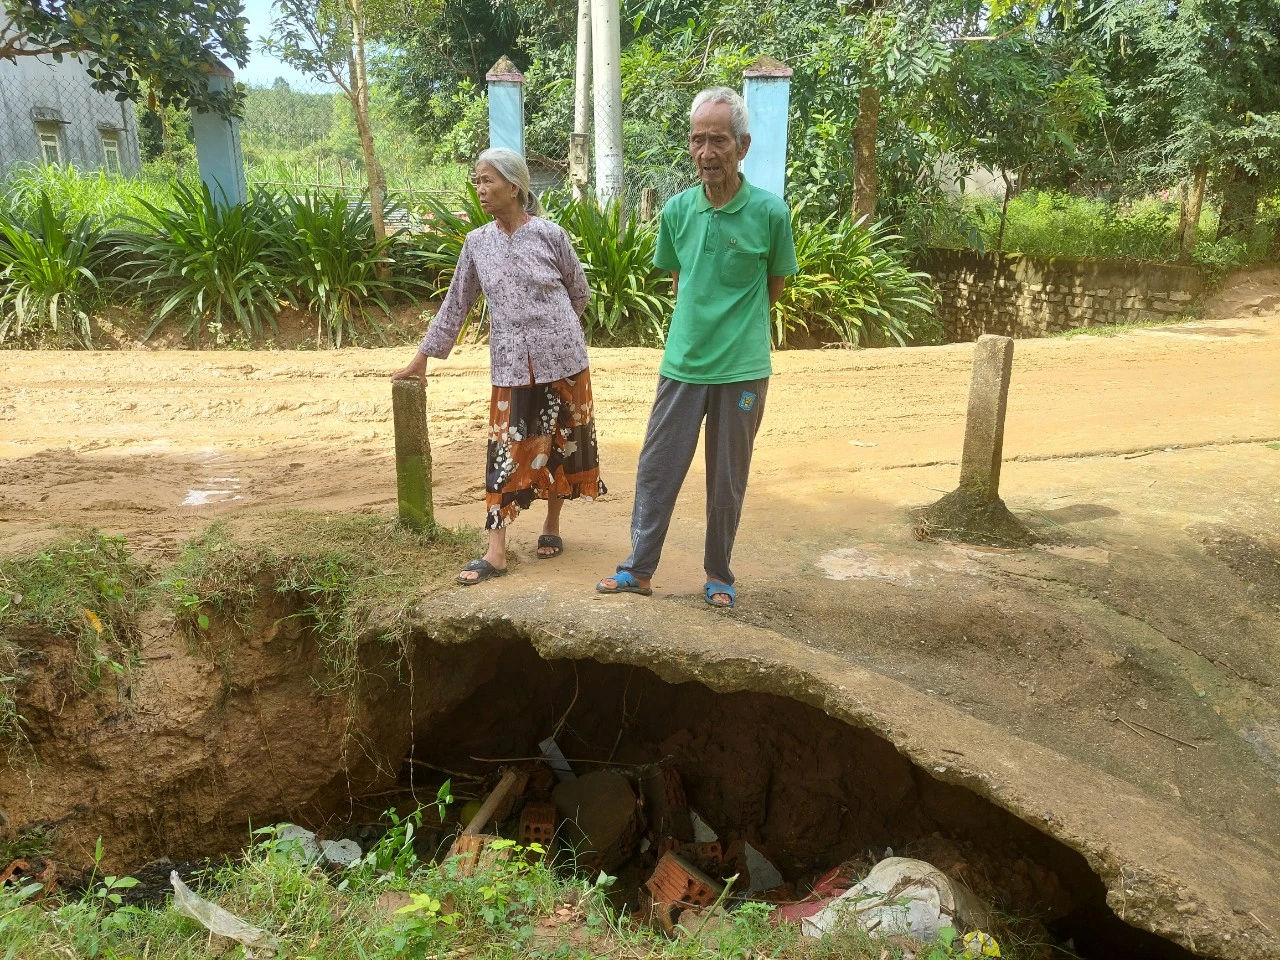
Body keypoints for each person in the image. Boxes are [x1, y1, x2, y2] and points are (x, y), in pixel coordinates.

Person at [597, 87, 798, 609]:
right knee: (657, 468)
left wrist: (736, 329)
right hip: (682, 365)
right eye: (697, 140)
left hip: (742, 370)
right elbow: (680, 280)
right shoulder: (678, 211)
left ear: (743, 145)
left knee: (726, 478)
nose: (707, 152)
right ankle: (638, 570)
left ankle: (719, 574)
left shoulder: (772, 214)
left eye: (718, 140)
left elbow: (773, 286)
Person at [393, 147, 605, 585]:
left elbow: (578, 292)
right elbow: (457, 303)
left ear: (514, 186)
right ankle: (497, 551)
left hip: (564, 359)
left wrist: (554, 332)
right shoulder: (476, 243)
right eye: (477, 181)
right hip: (510, 365)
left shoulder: (550, 234)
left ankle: (552, 526)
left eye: (487, 180)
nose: (480, 189)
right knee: (505, 449)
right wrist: (422, 359)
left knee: (561, 441)